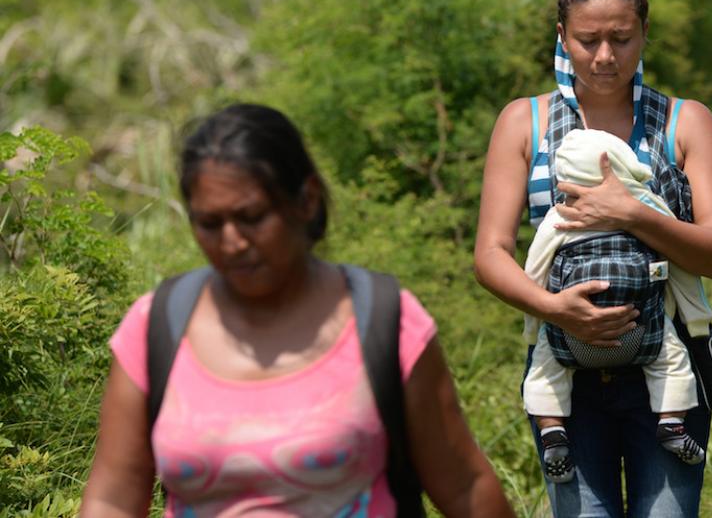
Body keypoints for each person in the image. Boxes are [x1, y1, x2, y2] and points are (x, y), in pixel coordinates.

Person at [81, 104, 515, 517]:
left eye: (252, 217)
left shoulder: (383, 320)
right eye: (209, 224)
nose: (232, 242)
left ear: (305, 200)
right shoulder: (154, 328)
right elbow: (113, 501)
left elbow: (464, 487)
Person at [474, 0, 712, 516]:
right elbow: (491, 254)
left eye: (621, 38)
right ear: (562, 36)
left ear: (645, 32)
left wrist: (633, 213)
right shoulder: (525, 123)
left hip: (668, 375)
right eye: (587, 39)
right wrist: (556, 309)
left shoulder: (684, 123)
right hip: (565, 375)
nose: (603, 56)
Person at [522, 127, 712, 483]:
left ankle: (552, 432)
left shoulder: (561, 215)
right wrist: (697, 318)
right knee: (672, 359)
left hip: (568, 332)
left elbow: (535, 267)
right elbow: (682, 270)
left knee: (545, 368)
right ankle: (671, 423)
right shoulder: (645, 205)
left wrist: (539, 319)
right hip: (644, 328)